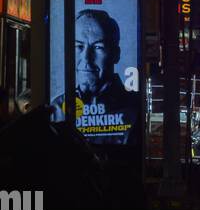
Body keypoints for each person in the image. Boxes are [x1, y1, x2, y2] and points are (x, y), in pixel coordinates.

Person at [49, 9, 140, 147]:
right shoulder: (57, 106)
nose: (86, 58)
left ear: (115, 54)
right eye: (78, 46)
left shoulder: (134, 107)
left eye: (98, 47)